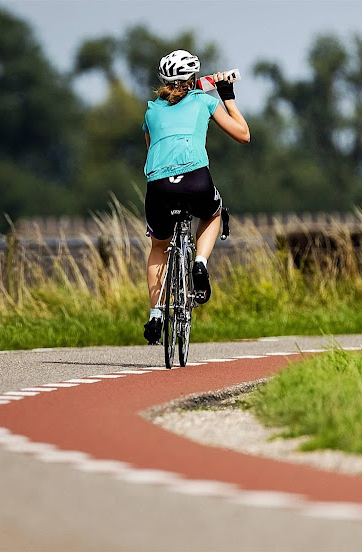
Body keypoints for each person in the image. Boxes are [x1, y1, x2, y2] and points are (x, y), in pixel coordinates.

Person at [141, 49, 250, 344]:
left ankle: (155, 314)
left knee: (158, 246)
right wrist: (227, 97)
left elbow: (151, 147)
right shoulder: (205, 100)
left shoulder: (152, 110)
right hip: (195, 179)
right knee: (213, 213)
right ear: (192, 77)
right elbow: (243, 134)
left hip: (159, 184)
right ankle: (200, 262)